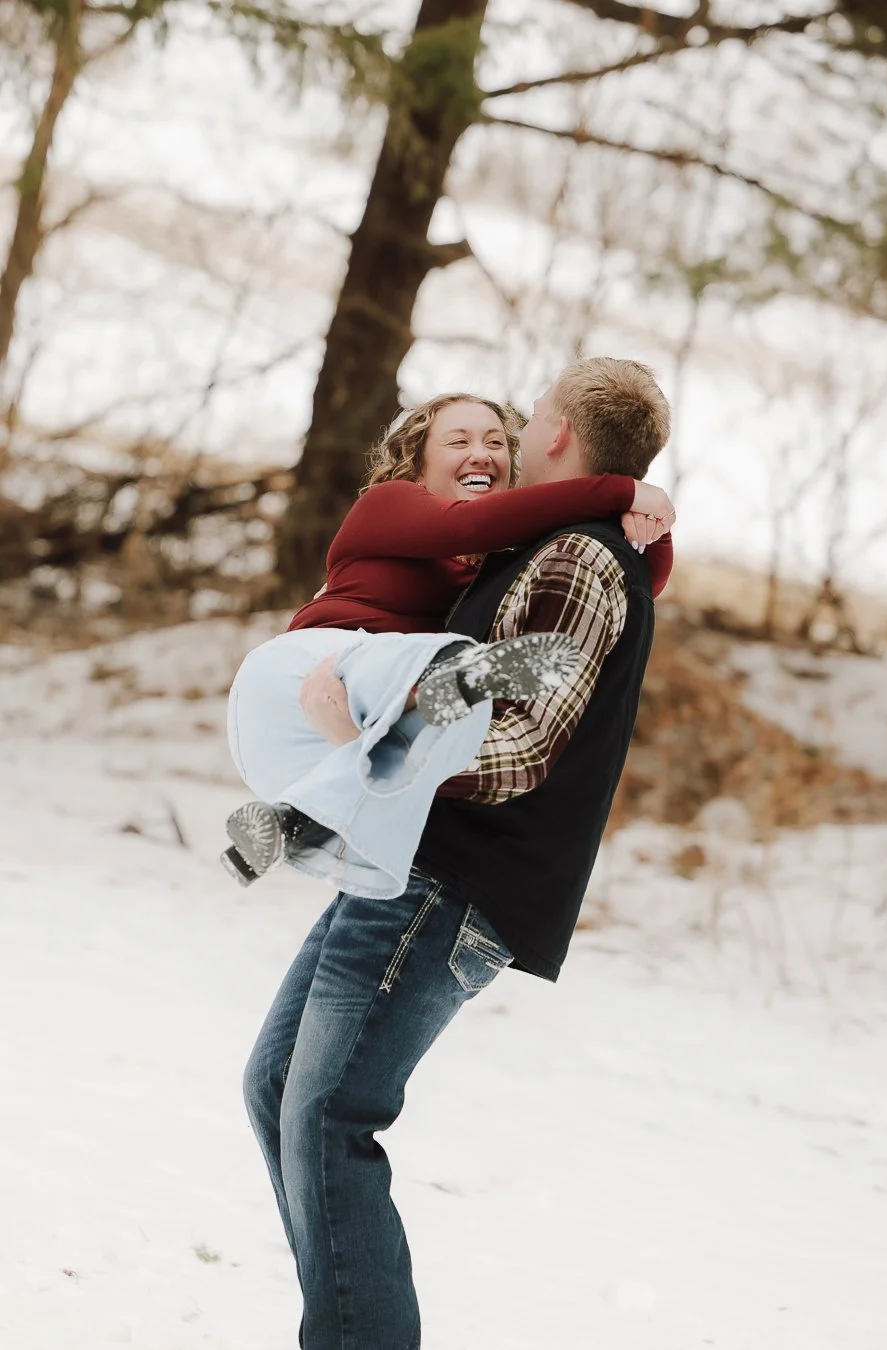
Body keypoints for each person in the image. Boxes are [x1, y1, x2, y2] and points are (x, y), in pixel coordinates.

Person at [241, 358, 674, 1350]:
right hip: (408, 865)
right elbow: (478, 683)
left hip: (456, 883)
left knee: (329, 1117)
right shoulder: (541, 550)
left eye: (525, 421)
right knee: (280, 1092)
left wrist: (370, 737)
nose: (506, 441)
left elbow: (520, 743)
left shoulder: (576, 560)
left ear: (557, 433)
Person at [223, 392, 674, 898]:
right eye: (458, 441)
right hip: (301, 680)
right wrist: (623, 491)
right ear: (416, 464)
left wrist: (652, 531)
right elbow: (467, 524)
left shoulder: (495, 568)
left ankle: (287, 827)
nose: (481, 453)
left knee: (410, 759)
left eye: (497, 443)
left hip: (315, 748)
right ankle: (479, 674)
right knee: (421, 676)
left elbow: (634, 587)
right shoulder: (389, 503)